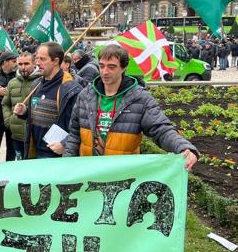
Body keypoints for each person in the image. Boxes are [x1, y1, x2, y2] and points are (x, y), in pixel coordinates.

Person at [64, 44, 198, 169]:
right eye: (102, 66)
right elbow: (74, 134)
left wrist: (183, 147)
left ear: (123, 68)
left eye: (111, 67)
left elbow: (161, 129)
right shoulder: (86, 95)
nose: (105, 72)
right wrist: (66, 165)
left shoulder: (139, 98)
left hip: (123, 174)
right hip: (88, 172)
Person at [13, 42, 82, 159]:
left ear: (55, 61)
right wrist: (25, 112)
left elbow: (80, 126)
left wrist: (65, 143)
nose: (37, 63)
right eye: (37, 58)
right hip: (34, 152)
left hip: (56, 156)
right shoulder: (36, 84)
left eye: (42, 59)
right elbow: (36, 114)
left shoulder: (71, 89)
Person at [2, 52, 40, 160]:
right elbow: (5, 103)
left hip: (35, 136)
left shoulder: (42, 81)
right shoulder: (12, 83)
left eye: (27, 64)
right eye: (20, 64)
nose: (23, 67)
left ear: (34, 64)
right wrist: (9, 121)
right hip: (17, 135)